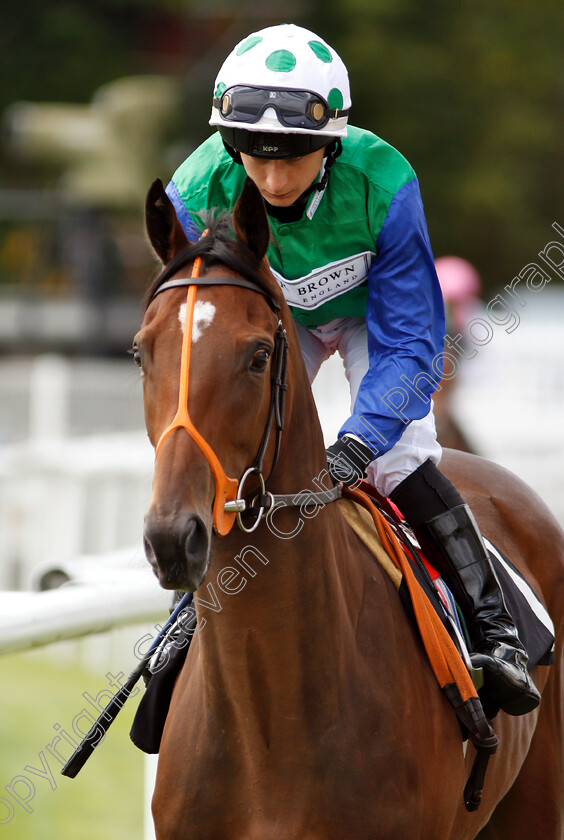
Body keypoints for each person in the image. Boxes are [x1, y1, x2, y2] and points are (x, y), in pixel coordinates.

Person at [164, 23, 539, 716]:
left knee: (398, 455)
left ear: (331, 144)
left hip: (375, 320)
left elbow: (411, 342)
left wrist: (360, 439)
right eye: (257, 158)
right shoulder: (195, 193)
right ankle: (182, 629)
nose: (274, 180)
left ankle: (496, 630)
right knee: (229, 452)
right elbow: (194, 335)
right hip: (275, 319)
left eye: (296, 159)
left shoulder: (386, 182)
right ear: (229, 144)